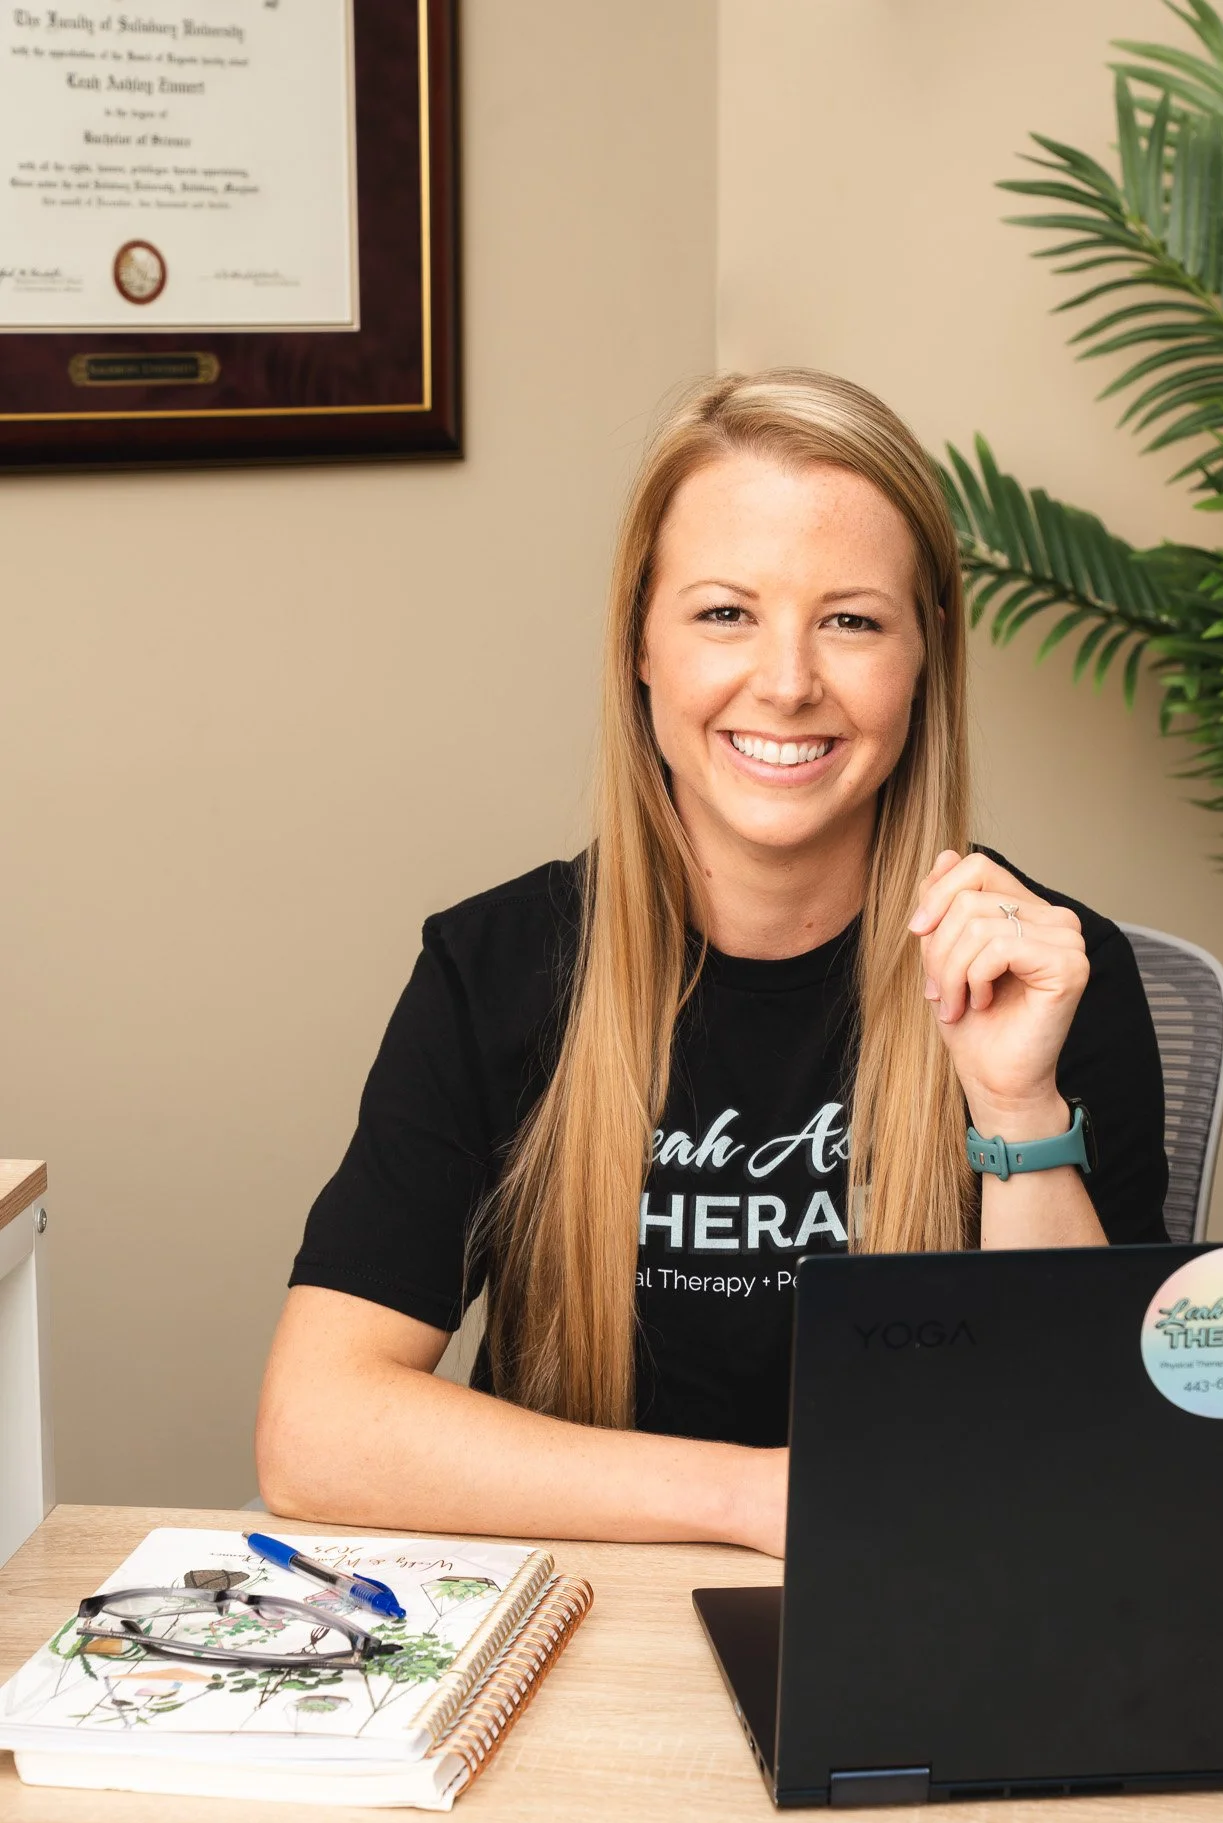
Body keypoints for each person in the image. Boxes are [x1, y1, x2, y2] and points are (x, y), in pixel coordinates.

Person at [256, 369, 1167, 1556]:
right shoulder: (499, 966)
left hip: (929, 1615)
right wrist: (759, 1498)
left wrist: (1015, 1102)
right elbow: (316, 1427)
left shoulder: (1046, 972)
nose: (787, 681)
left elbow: (1102, 1455)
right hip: (575, 1632)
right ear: (641, 639)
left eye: (851, 619)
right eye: (726, 612)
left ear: (924, 656)